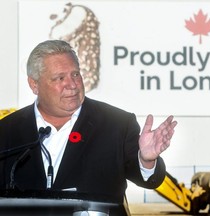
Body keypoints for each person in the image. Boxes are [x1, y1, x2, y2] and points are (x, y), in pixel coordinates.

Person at [0, 40, 177, 214]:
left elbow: (148, 180)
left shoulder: (117, 124)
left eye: (76, 74)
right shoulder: (7, 130)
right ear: (34, 84)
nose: (72, 85)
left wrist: (146, 160)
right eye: (59, 78)